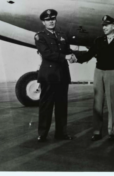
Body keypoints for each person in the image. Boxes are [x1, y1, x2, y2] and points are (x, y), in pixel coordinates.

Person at [73, 15, 114, 142]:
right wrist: (76, 58)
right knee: (98, 103)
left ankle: (112, 132)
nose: (104, 27)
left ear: (113, 26)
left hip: (112, 72)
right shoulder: (99, 40)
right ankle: (97, 131)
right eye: (103, 25)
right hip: (99, 72)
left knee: (112, 103)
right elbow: (89, 54)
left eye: (106, 25)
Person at [34, 9, 76, 142]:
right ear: (43, 22)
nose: (51, 21)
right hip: (49, 76)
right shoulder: (40, 36)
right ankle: (42, 134)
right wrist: (66, 56)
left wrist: (74, 55)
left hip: (62, 75)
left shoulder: (62, 34)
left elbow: (67, 50)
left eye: (53, 19)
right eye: (48, 20)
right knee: (46, 106)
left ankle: (61, 133)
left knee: (61, 106)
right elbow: (46, 54)